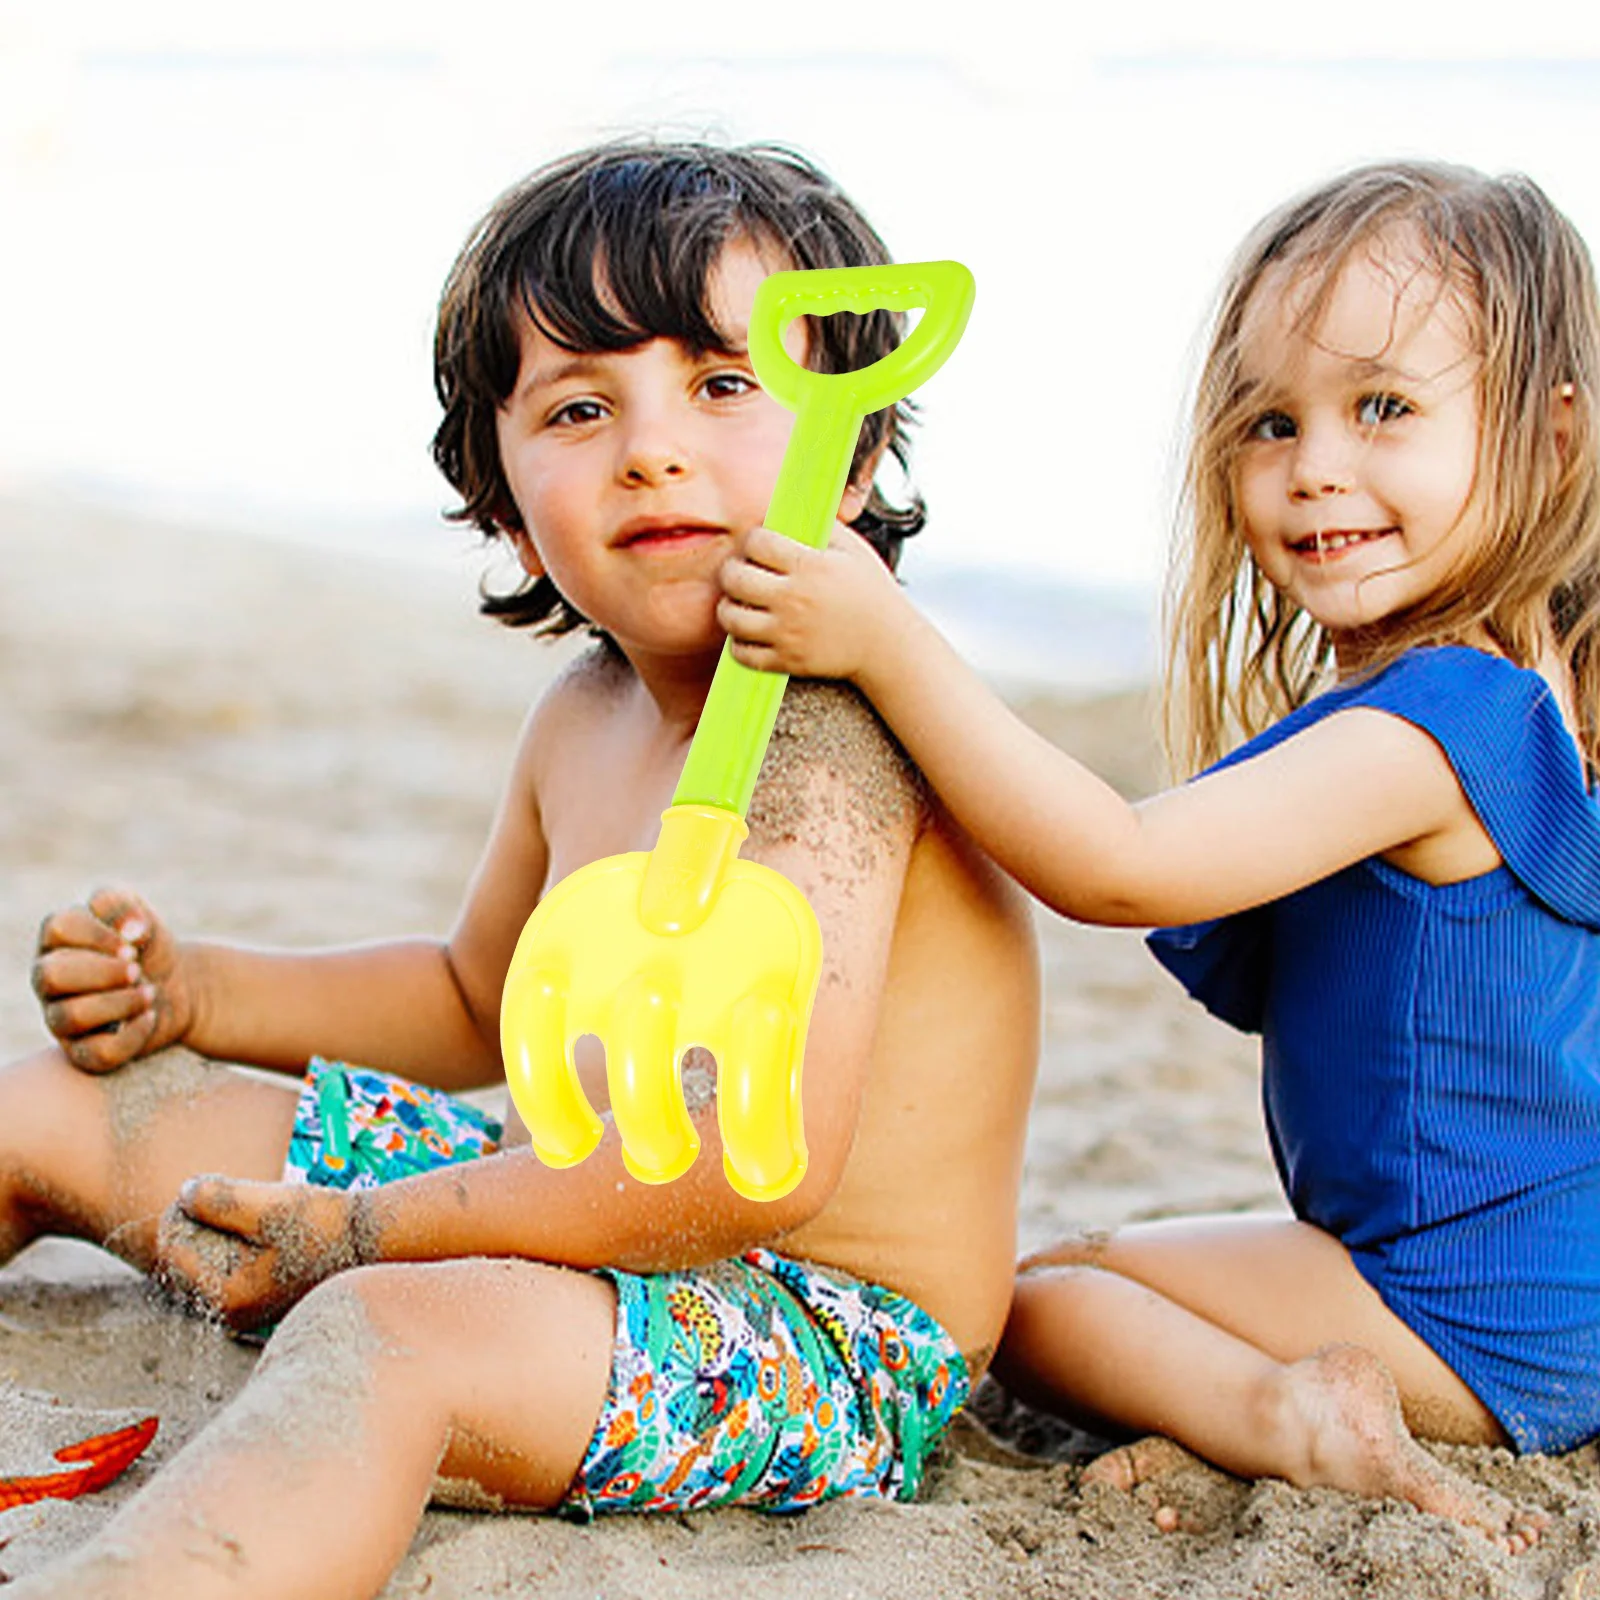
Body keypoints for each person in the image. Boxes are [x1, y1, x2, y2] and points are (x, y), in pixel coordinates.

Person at [0, 141, 1039, 1598]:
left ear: (854, 457)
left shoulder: (835, 744)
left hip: (813, 1325)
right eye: (578, 407)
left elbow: (742, 1172)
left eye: (725, 385)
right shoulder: (586, 718)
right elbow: (471, 999)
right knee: (57, 1106)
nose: (651, 447)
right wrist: (201, 996)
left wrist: (358, 1238)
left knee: (376, 1336)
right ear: (501, 503)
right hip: (558, 1206)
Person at [718, 158, 1600, 1552]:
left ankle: (1290, 1424)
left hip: (1473, 1305)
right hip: (1509, 1269)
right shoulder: (1502, 692)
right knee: (1080, 1266)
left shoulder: (1434, 727)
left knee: (1040, 1307)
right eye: (1269, 422)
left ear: (1553, 442)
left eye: (1384, 408)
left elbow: (1117, 865)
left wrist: (887, 642)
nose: (1316, 467)